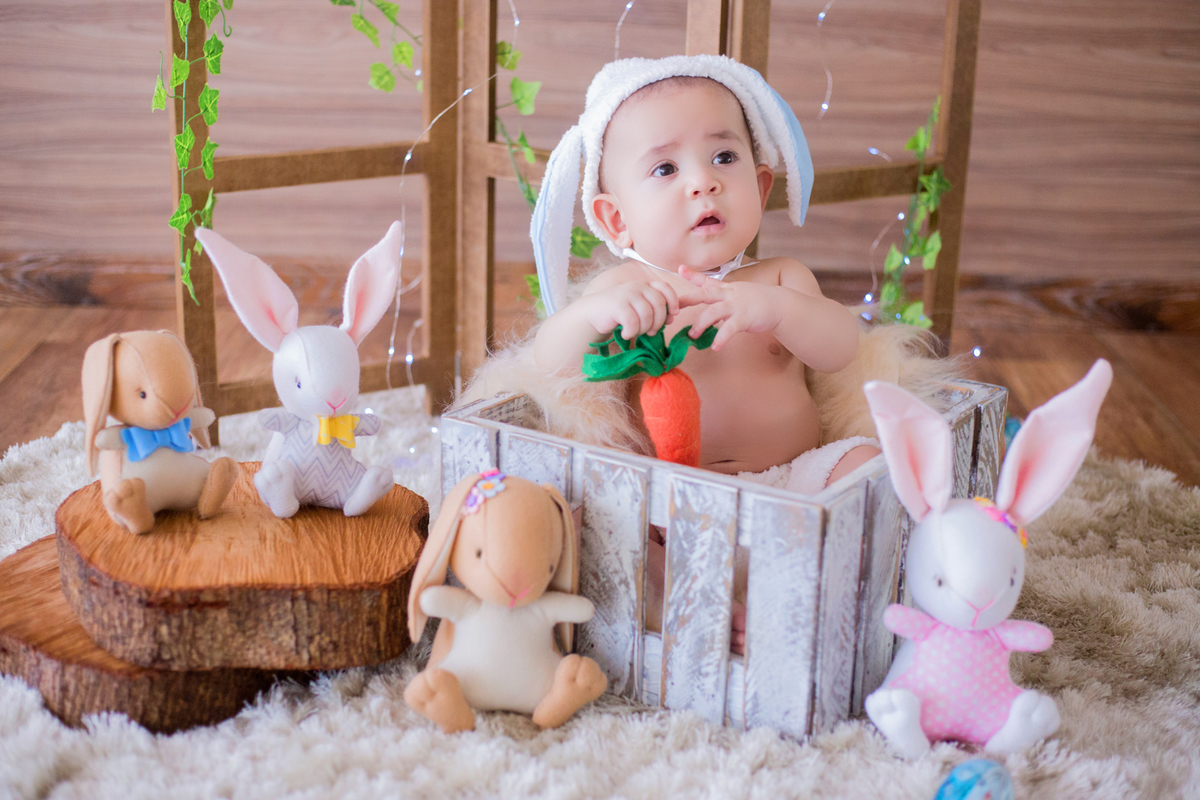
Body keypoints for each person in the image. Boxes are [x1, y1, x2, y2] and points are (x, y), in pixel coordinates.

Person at [531, 56, 881, 490]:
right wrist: (592, 317)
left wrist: (779, 311)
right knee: (608, 513)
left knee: (867, 462)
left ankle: (804, 552)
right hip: (665, 496)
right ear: (616, 220)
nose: (703, 181)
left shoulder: (779, 279)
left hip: (793, 482)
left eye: (723, 156)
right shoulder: (624, 289)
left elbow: (842, 349)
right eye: (665, 168)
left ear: (761, 186)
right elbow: (548, 365)